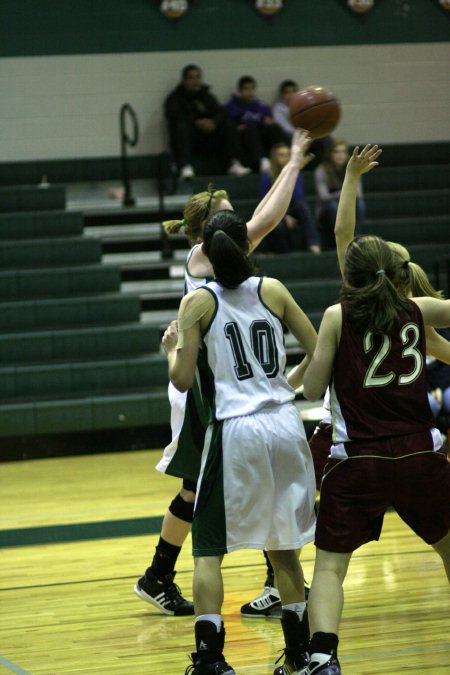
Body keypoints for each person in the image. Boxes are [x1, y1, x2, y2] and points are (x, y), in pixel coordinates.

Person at [134, 130, 314, 617]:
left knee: (221, 480)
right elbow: (269, 218)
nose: (242, 219)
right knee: (212, 484)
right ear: (210, 230)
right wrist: (294, 163)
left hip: (224, 387)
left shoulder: (225, 267)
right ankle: (169, 575)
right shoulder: (204, 256)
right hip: (207, 392)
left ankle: (165, 575)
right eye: (230, 211)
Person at [163, 208, 318, 675]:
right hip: (286, 425)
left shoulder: (199, 304)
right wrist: (284, 387)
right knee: (283, 548)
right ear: (247, 246)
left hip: (237, 431)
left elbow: (183, 380)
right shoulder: (272, 289)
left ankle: (211, 660)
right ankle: (298, 656)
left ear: (205, 252)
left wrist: (171, 349)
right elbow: (319, 350)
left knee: (207, 550)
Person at [302, 234, 450, 674]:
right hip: (419, 454)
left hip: (358, 460)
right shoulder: (417, 310)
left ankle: (323, 657)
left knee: (329, 568)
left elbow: (311, 390)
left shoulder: (336, 316)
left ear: (350, 276)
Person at [164, 64, 251, 180]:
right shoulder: (174, 98)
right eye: (191, 78)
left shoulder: (207, 96)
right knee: (181, 126)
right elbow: (174, 116)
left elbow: (220, 112)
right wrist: (196, 122)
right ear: (184, 81)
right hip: (190, 140)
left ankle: (233, 163)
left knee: (229, 124)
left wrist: (213, 122)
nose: (195, 81)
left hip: (209, 140)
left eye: (198, 77)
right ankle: (185, 166)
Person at [260, 142, 321, 255]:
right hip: (273, 210)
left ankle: (313, 243)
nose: (285, 158)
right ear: (274, 157)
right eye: (281, 155)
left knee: (303, 206)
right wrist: (284, 216)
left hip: (292, 207)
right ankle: (284, 254)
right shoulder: (267, 174)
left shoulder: (296, 172)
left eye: (288, 154)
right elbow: (264, 202)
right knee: (278, 226)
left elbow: (297, 197)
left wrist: (292, 174)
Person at [224, 75, 286, 173]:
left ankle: (282, 160)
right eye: (246, 89)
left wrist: (262, 121)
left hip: (259, 132)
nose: (250, 92)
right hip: (243, 135)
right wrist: (259, 120)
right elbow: (233, 120)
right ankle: (262, 161)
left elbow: (268, 120)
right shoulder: (232, 105)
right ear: (240, 91)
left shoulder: (260, 105)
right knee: (250, 128)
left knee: (275, 128)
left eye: (252, 88)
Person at [314, 139, 366, 250]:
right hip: (326, 210)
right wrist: (345, 192)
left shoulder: (354, 168)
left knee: (360, 204)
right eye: (336, 152)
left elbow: (359, 194)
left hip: (347, 205)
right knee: (333, 206)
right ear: (330, 154)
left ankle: (355, 240)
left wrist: (342, 195)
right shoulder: (321, 170)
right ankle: (341, 241)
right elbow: (324, 197)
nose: (340, 155)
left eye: (343, 152)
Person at [273, 79, 332, 165]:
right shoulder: (279, 108)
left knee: (325, 137)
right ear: (282, 95)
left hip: (305, 135)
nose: (291, 95)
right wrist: (303, 135)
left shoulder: (304, 105)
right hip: (290, 137)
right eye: (287, 92)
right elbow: (284, 128)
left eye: (293, 91)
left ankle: (326, 164)